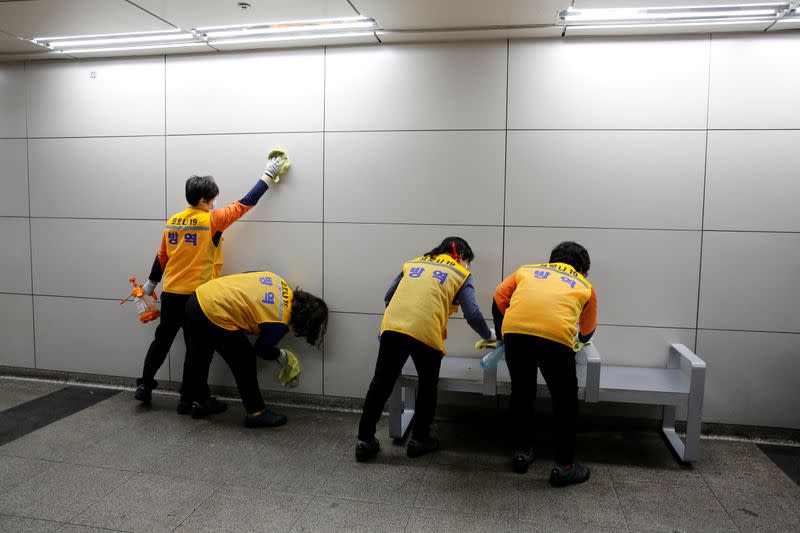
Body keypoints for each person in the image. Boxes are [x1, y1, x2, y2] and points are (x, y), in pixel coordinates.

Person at [134, 156, 287, 405]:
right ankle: (189, 398)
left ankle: (145, 385)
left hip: (171, 292)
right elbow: (246, 203)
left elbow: (162, 257)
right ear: (204, 200)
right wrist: (268, 175)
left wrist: (150, 284)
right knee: (195, 349)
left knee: (161, 341)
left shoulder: (173, 222)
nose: (215, 203)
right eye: (213, 199)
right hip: (198, 298)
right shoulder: (212, 220)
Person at [356, 237, 495, 461]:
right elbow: (472, 314)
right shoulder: (460, 274)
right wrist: (489, 335)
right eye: (468, 260)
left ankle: (364, 441)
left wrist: (400, 319)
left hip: (393, 326)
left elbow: (388, 296)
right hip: (426, 331)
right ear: (461, 256)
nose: (467, 265)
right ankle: (420, 440)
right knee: (427, 386)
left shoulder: (413, 264)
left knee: (381, 383)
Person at [493, 241, 597, 486]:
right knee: (565, 401)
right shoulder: (585, 285)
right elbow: (587, 331)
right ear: (582, 269)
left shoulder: (527, 270)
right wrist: (580, 339)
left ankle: (522, 452)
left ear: (553, 259)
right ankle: (565, 466)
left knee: (522, 392)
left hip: (515, 334)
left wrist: (503, 335)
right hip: (556, 340)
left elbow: (499, 296)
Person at [178, 270, 328, 427]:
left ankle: (190, 401)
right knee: (245, 359)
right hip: (215, 311)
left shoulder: (278, 280)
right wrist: (280, 354)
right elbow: (261, 349)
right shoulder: (280, 321)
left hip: (199, 297)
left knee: (198, 354)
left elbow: (245, 279)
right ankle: (256, 412)